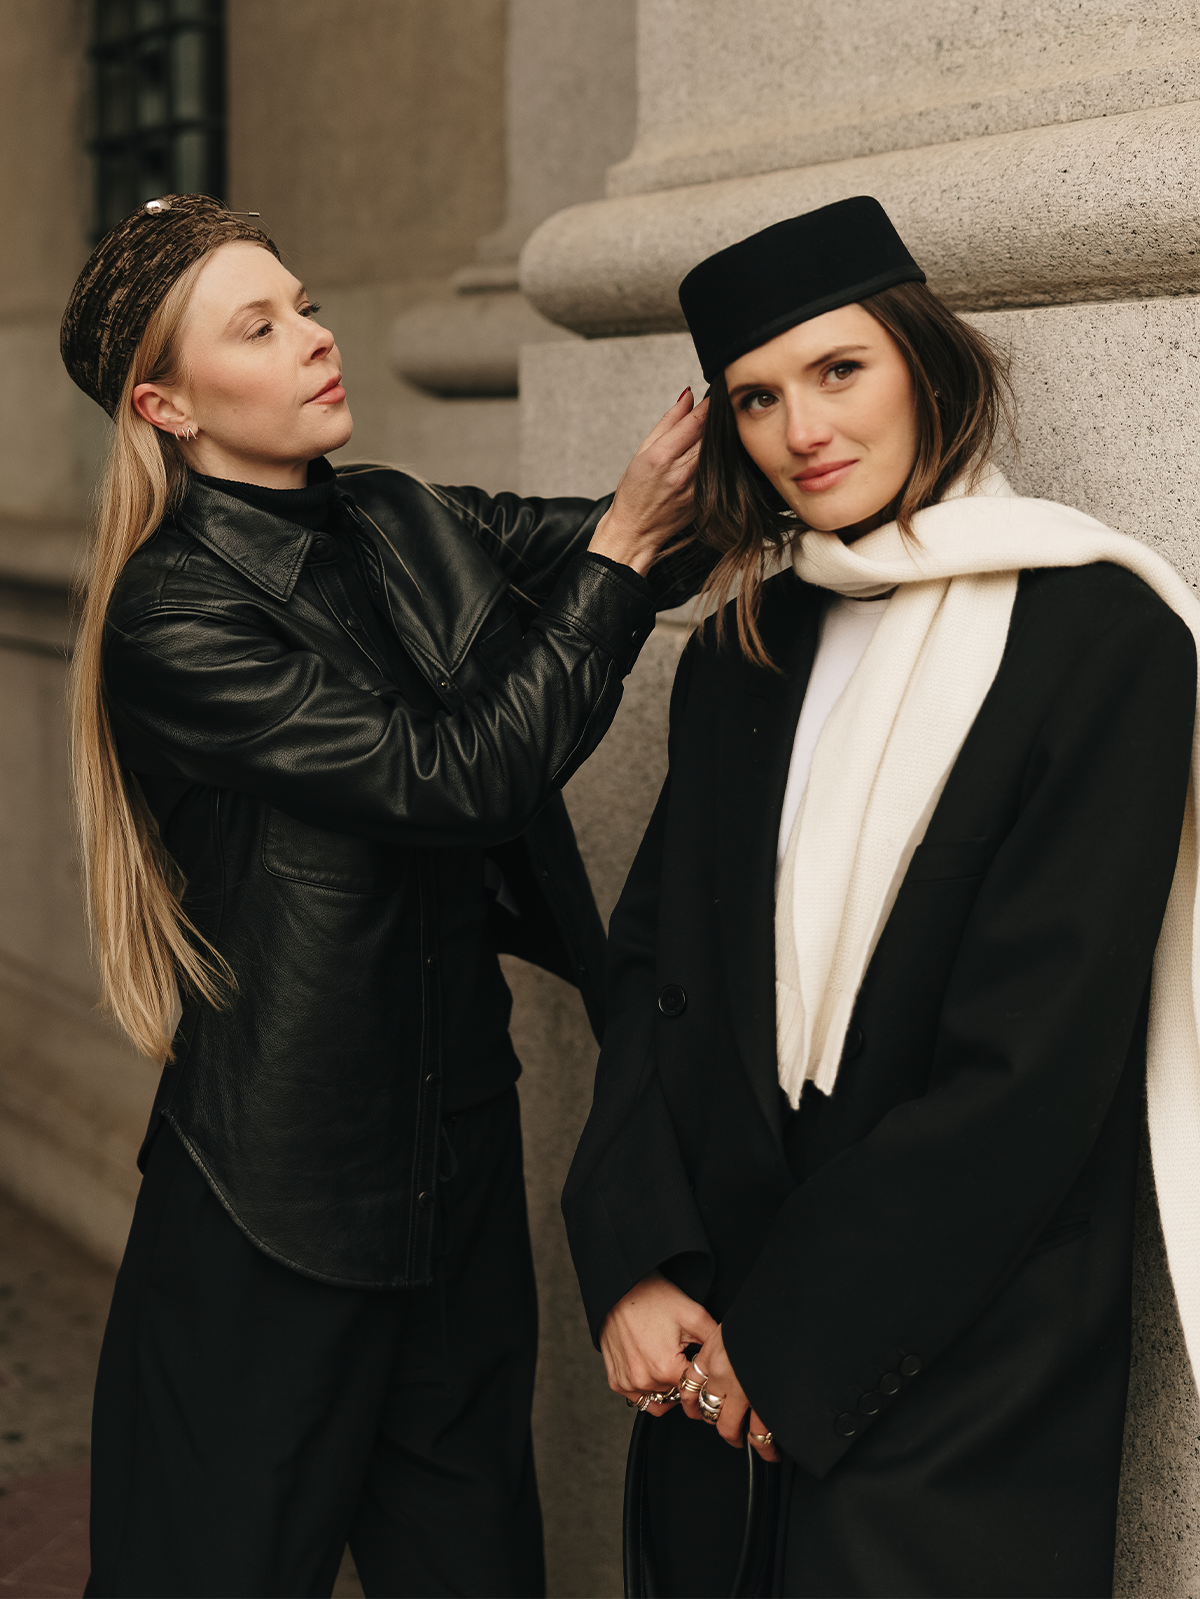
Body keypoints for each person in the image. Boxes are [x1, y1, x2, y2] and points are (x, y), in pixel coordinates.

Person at [59, 193, 710, 1599]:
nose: (314, 337)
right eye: (260, 324)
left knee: (474, 1566)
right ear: (167, 405)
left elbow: (641, 540)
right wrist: (618, 559)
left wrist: (783, 440)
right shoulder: (174, 613)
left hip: (457, 1165)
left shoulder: (404, 517)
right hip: (278, 1196)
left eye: (304, 304)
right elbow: (455, 774)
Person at [562, 195, 1200, 1598]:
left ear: (927, 362)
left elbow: (1034, 1064)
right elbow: (653, 963)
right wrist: (634, 1255)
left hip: (957, 1345)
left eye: (839, 370)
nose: (803, 429)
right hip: (712, 1326)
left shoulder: (1104, 638)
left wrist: (802, 1338)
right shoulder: (748, 640)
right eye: (757, 397)